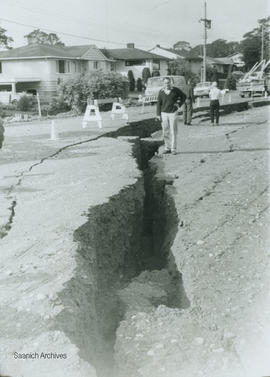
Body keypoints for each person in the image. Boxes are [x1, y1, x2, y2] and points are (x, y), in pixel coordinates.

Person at [156, 77, 186, 155]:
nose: (167, 84)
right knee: (165, 131)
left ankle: (173, 149)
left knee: (173, 131)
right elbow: (158, 103)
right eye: (165, 83)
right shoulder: (161, 92)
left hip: (173, 112)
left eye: (168, 82)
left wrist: (178, 104)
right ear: (163, 83)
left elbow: (184, 96)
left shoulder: (175, 90)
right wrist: (158, 114)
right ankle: (167, 148)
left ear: (171, 83)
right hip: (164, 113)